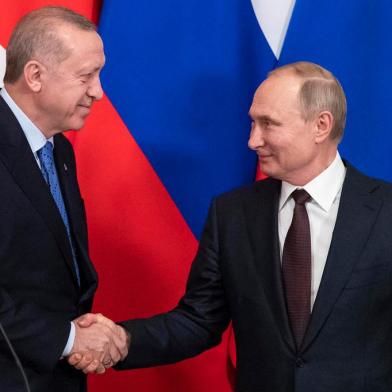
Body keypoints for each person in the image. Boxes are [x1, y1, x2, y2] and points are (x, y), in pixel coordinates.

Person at [72, 61, 392, 391]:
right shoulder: (233, 214)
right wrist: (122, 340)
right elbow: (199, 320)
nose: (253, 140)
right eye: (253, 123)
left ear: (321, 126)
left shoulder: (385, 212)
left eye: (268, 124)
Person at [0, 6, 128, 391]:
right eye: (86, 76)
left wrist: (81, 333)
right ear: (35, 75)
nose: (98, 92)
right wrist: (68, 339)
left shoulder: (59, 150)